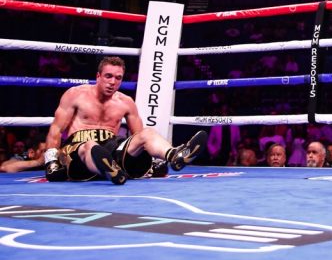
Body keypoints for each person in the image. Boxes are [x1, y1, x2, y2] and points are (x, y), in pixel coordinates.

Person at [43, 56, 208, 185]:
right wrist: (51, 161)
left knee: (147, 134)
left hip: (111, 149)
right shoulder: (75, 94)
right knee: (90, 146)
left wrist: (152, 163)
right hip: (78, 150)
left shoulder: (126, 102)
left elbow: (138, 136)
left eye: (118, 78)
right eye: (108, 76)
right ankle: (107, 170)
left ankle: (175, 155)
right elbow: (56, 129)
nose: (113, 82)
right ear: (98, 76)